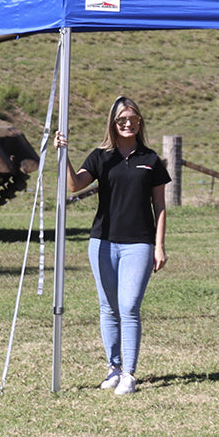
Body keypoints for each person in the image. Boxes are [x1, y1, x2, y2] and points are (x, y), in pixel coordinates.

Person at [55, 96, 169, 395]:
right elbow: (74, 185)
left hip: (139, 244)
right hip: (102, 242)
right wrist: (63, 155)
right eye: (122, 120)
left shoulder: (151, 159)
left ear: (139, 122)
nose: (128, 124)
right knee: (108, 308)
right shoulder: (100, 156)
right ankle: (113, 368)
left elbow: (160, 206)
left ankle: (130, 374)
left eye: (133, 119)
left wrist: (159, 246)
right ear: (113, 124)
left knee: (129, 307)